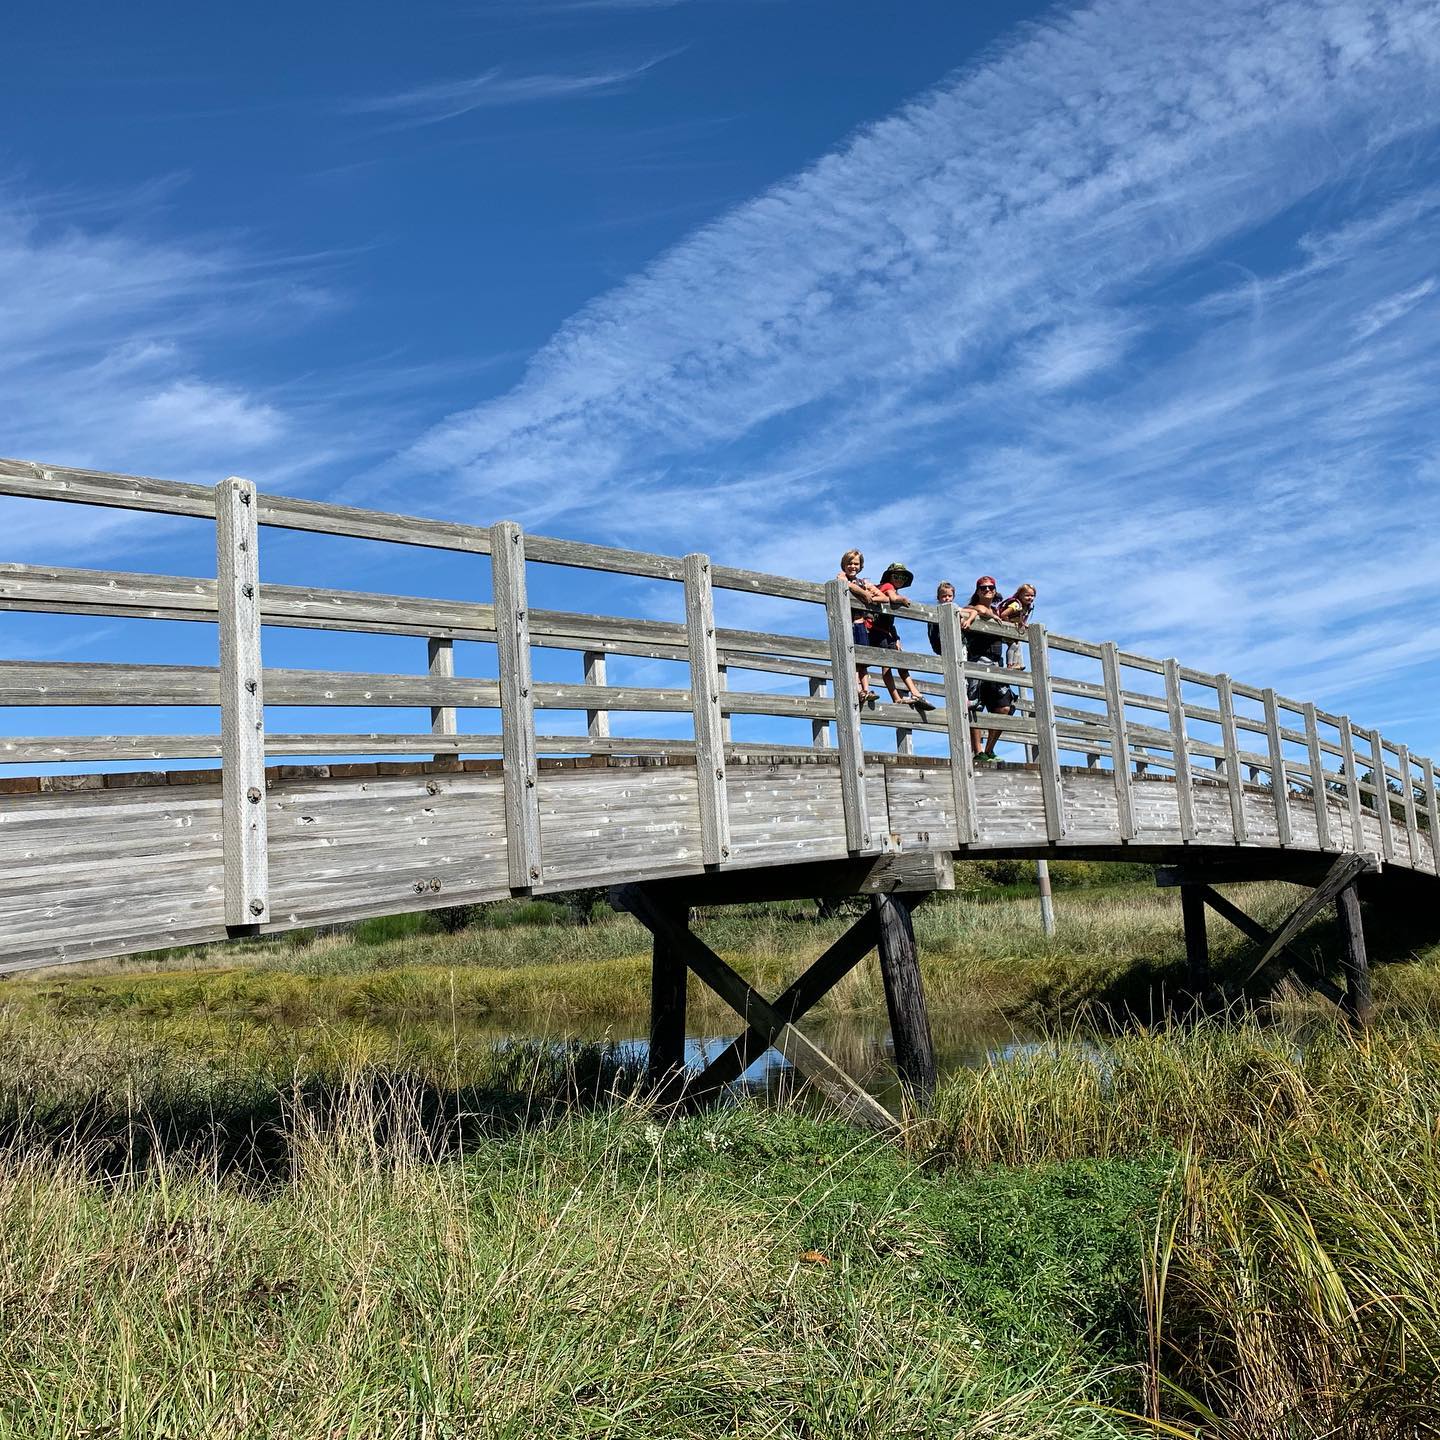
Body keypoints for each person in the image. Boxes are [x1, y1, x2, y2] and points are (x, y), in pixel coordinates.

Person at [964, 576, 1019, 761]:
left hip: (997, 663)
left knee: (1004, 707)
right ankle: (978, 752)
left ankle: (989, 750)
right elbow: (976, 609)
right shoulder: (971, 609)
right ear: (977, 591)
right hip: (977, 661)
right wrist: (989, 614)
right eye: (983, 588)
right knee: (974, 706)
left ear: (995, 591)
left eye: (991, 588)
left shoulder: (998, 612)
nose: (987, 590)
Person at [870, 562, 935, 712]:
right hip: (879, 633)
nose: (900, 579)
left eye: (902, 577)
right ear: (889, 576)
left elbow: (890, 622)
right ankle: (910, 694)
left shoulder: (884, 587)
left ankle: (904, 696)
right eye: (896, 575)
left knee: (896, 664)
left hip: (886, 633)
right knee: (893, 665)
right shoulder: (887, 586)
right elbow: (893, 598)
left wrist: (897, 637)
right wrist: (902, 599)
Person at [837, 549, 888, 705]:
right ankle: (858, 689)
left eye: (856, 563)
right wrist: (862, 593)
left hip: (861, 625)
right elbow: (843, 582)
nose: (852, 566)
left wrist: (869, 596)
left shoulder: (864, 582)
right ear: (844, 565)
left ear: (860, 566)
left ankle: (866, 689)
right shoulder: (841, 576)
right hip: (847, 624)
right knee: (852, 659)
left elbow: (884, 597)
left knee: (863, 660)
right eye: (849, 563)